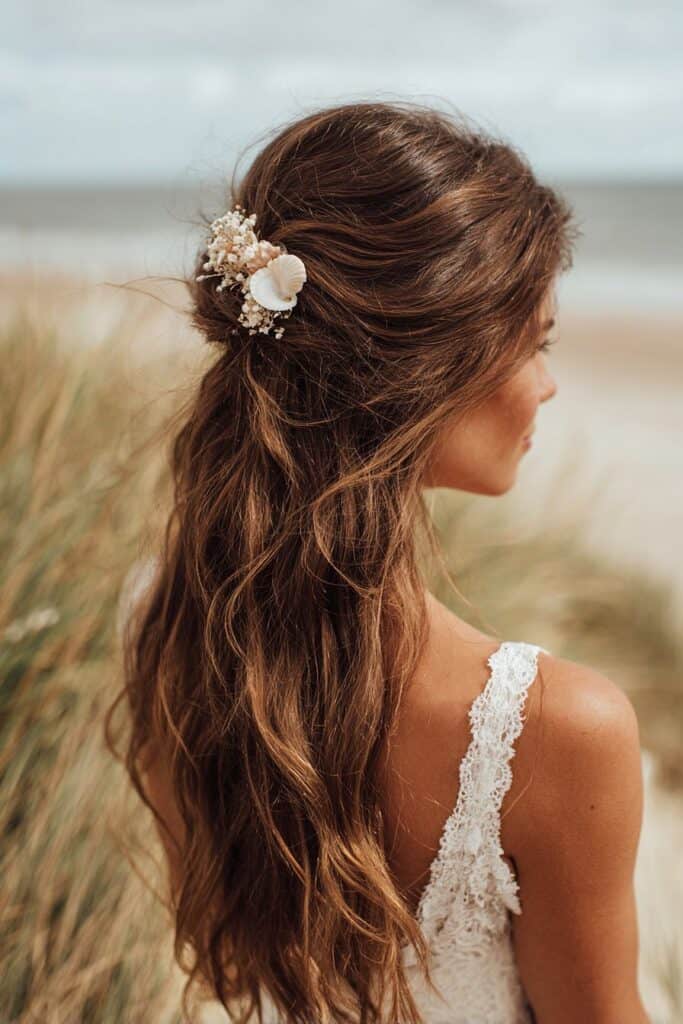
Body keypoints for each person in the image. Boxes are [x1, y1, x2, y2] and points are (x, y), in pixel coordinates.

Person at [107, 100, 649, 1023]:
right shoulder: (557, 731)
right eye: (538, 343)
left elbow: (229, 968)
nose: (550, 383)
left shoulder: (160, 612)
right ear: (432, 367)